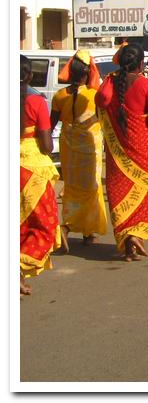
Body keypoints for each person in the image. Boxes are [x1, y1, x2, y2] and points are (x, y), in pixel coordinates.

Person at [95, 43, 148, 262]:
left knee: (121, 193)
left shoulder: (109, 83)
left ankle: (130, 236)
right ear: (141, 64)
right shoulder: (146, 86)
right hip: (145, 150)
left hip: (118, 154)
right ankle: (136, 234)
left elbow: (99, 104)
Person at [50, 50, 106, 249]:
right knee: (91, 187)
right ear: (88, 73)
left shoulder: (59, 95)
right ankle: (85, 231)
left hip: (68, 146)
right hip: (90, 146)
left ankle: (68, 226)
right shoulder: (94, 95)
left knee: (72, 187)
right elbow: (104, 120)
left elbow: (51, 124)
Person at [20, 55, 61, 295]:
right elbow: (47, 145)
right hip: (32, 169)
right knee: (42, 224)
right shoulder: (35, 102)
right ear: (28, 76)